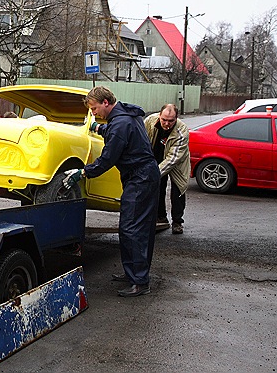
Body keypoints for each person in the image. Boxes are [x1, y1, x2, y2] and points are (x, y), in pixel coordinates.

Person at [62, 86, 160, 297]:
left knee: (132, 229)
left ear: (105, 102)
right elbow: (115, 131)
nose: (94, 113)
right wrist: (97, 128)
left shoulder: (121, 123)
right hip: (142, 176)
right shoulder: (124, 116)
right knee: (134, 227)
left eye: (95, 108)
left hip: (140, 178)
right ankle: (133, 273)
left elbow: (108, 158)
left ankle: (140, 282)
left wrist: (84, 172)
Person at [144, 104, 191, 235]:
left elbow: (172, 159)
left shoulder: (182, 131)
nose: (166, 123)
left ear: (176, 118)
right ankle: (161, 216)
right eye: (164, 119)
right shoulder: (150, 121)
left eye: (171, 121)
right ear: (159, 115)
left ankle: (177, 221)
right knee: (158, 188)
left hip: (177, 162)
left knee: (179, 190)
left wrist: (153, 174)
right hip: (156, 157)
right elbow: (142, 141)